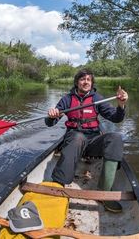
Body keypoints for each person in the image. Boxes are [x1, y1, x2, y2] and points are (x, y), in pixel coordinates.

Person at [45, 69, 128, 213]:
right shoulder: (67, 99)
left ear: (92, 83)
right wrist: (52, 115)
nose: (86, 82)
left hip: (93, 141)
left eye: (89, 80)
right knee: (77, 137)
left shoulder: (97, 98)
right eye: (82, 79)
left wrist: (121, 105)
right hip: (74, 141)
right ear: (77, 82)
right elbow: (50, 123)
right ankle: (58, 187)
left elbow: (116, 118)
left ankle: (105, 192)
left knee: (115, 138)